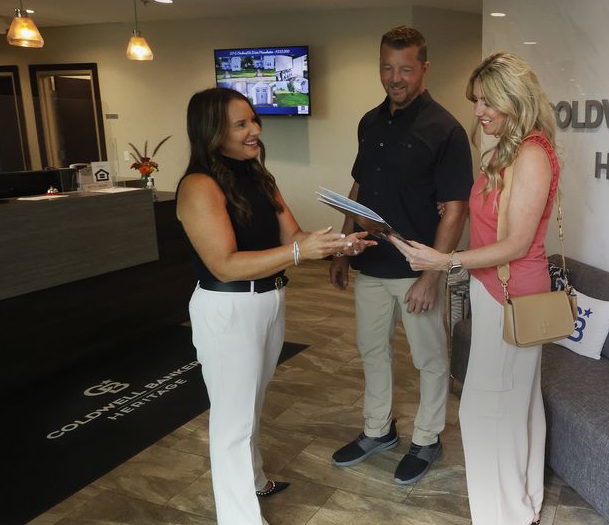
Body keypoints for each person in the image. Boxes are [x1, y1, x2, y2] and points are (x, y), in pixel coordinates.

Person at [177, 87, 373, 525]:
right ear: (212, 132)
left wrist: (340, 245)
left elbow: (292, 239)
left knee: (251, 404)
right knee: (232, 422)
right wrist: (302, 254)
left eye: (254, 120)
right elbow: (224, 265)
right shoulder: (198, 186)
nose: (255, 131)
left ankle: (254, 478)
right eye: (241, 124)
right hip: (228, 310)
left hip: (268, 303)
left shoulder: (258, 176)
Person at [391, 53, 559, 525]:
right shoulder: (510, 148)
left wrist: (446, 262)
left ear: (515, 99)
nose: (479, 111)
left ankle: (503, 515)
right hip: (498, 292)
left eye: (488, 101)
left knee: (486, 412)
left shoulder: (529, 153)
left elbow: (517, 243)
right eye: (477, 101)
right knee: (515, 404)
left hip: (512, 295)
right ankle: (520, 504)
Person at [329, 26, 474, 485]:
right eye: (387, 68)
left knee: (429, 359)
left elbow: (456, 208)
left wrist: (433, 275)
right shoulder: (369, 122)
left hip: (417, 270)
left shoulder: (446, 129)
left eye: (405, 69)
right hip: (370, 262)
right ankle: (379, 430)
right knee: (372, 351)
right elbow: (359, 188)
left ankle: (428, 439)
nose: (395, 78)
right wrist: (342, 248)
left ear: (424, 68)